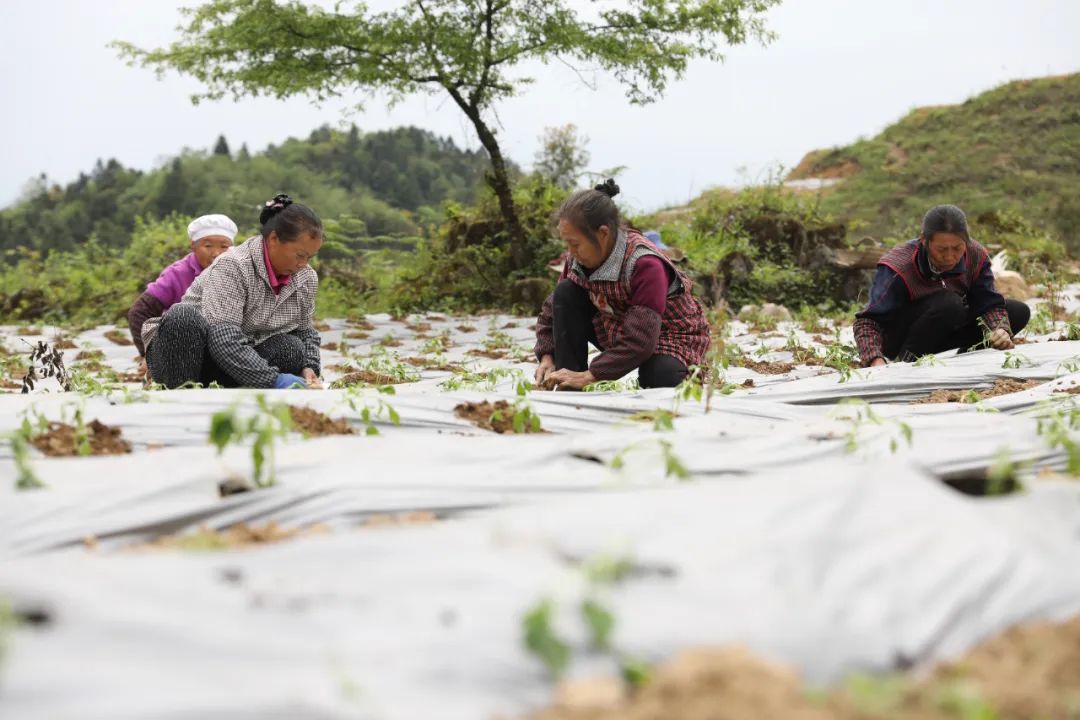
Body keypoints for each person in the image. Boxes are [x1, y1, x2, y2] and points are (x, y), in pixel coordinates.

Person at [534, 180, 711, 390]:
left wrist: (592, 375)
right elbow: (552, 311)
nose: (570, 252)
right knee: (566, 292)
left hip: (668, 336)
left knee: (661, 377)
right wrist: (548, 356)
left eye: (575, 243)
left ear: (603, 233)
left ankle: (674, 373)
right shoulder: (577, 260)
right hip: (617, 326)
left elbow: (641, 340)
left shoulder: (645, 264)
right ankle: (568, 382)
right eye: (567, 244)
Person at [141, 194, 324, 390]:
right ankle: (181, 391)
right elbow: (223, 338)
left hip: (230, 362)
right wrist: (273, 380)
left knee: (291, 349)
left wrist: (310, 367)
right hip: (186, 354)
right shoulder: (234, 265)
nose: (303, 264)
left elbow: (305, 331)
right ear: (273, 239)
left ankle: (228, 385)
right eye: (300, 255)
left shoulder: (305, 277)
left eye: (310, 257)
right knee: (183, 317)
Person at [853, 204, 1030, 367]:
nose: (950, 256)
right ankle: (906, 363)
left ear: (966, 242)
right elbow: (868, 321)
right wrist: (875, 359)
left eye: (957, 248)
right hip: (903, 337)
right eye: (942, 249)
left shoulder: (976, 257)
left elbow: (988, 303)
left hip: (945, 329)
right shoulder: (899, 266)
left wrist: (1000, 331)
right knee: (949, 304)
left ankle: (966, 361)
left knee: (1017, 312)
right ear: (924, 240)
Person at [127, 213, 238, 357]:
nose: (216, 253)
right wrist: (150, 355)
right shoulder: (177, 274)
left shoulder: (239, 272)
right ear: (193, 246)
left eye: (224, 246)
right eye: (208, 245)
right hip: (182, 352)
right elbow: (139, 312)